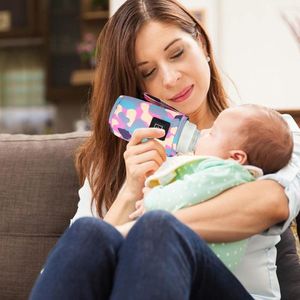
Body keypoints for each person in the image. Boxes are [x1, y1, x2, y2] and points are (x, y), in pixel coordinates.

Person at [29, 0, 300, 299]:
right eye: (147, 72)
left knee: (158, 229)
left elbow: (274, 202)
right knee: (89, 233)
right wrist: (131, 190)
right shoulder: (116, 163)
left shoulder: (274, 132)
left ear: (202, 43)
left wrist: (137, 229)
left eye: (177, 53)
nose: (170, 79)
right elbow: (65, 270)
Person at [129, 104, 293, 271]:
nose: (204, 132)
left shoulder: (224, 173)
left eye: (212, 133)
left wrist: (151, 197)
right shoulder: (236, 177)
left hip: (192, 268)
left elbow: (182, 194)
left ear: (235, 157)